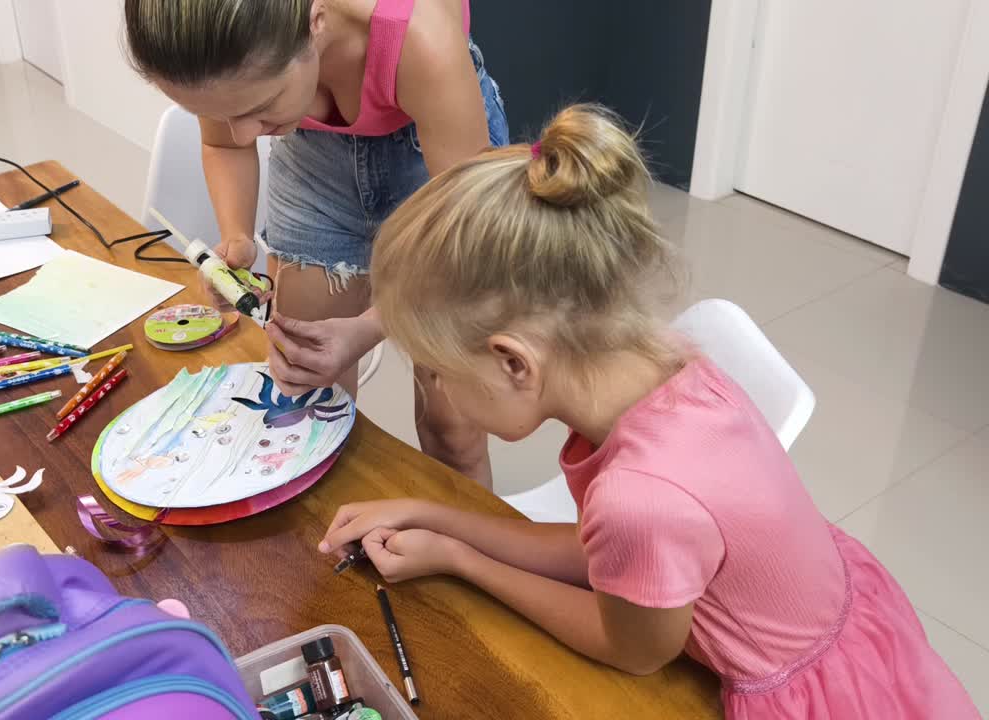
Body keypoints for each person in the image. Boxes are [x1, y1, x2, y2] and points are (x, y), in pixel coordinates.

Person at [317, 104, 979, 718]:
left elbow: (632, 648)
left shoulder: (640, 497)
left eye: (437, 372)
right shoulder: (672, 371)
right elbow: (606, 556)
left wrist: (464, 563)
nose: (438, 392)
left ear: (514, 362)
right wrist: (435, 518)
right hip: (858, 643)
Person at [124, 0, 508, 487]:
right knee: (309, 400)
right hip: (313, 162)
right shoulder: (228, 43)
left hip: (433, 159)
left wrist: (368, 328)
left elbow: (466, 249)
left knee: (453, 427)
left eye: (258, 109)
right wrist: (238, 238)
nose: (242, 132)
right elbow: (225, 144)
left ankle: (464, 553)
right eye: (221, 113)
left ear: (315, 25)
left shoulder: (419, 37)